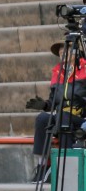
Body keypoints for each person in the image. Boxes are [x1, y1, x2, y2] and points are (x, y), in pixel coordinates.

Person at [27, 42, 86, 183]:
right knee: (42, 119)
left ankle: (67, 166)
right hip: (62, 116)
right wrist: (44, 105)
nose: (62, 54)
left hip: (81, 118)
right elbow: (53, 102)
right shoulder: (58, 73)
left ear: (76, 53)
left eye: (65, 51)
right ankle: (43, 167)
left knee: (64, 117)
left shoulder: (84, 69)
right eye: (60, 53)